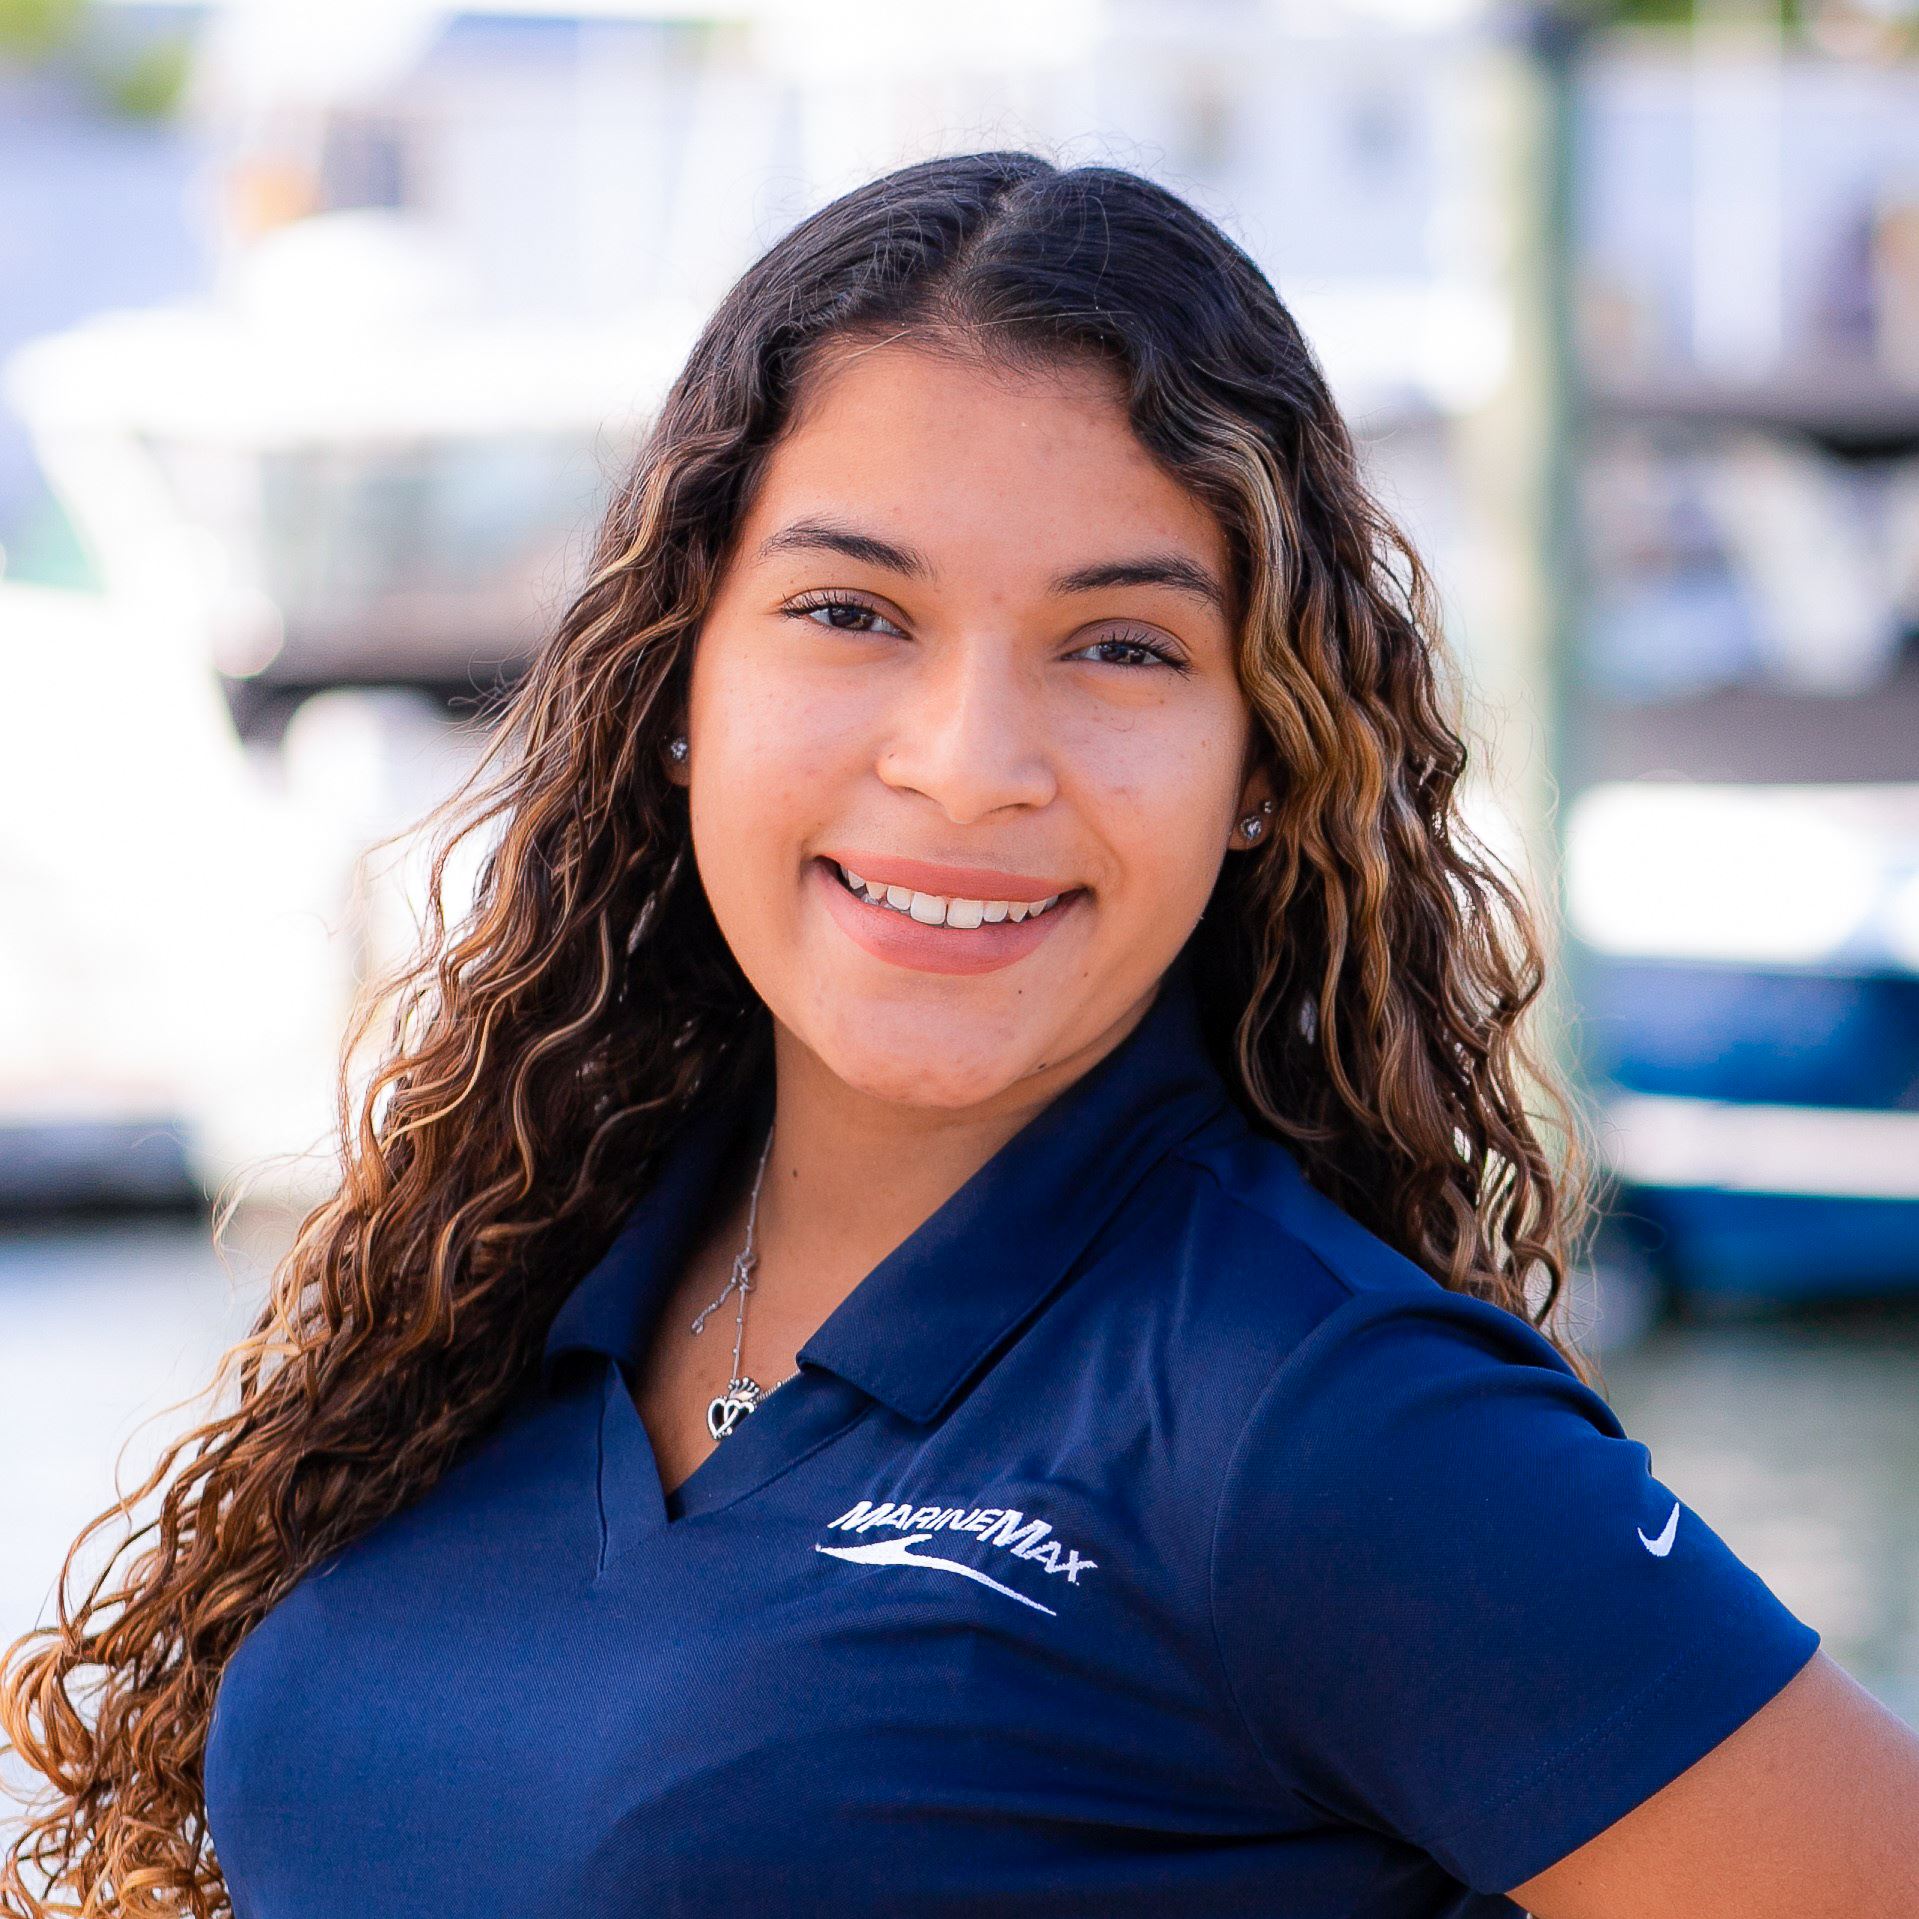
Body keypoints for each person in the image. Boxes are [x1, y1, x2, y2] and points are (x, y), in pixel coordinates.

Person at [5, 151, 1916, 1919]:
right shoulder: (512, 1272)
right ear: (678, 682)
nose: (970, 762)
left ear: (1264, 762)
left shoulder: (1319, 1417)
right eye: (853, 612)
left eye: (1123, 647)